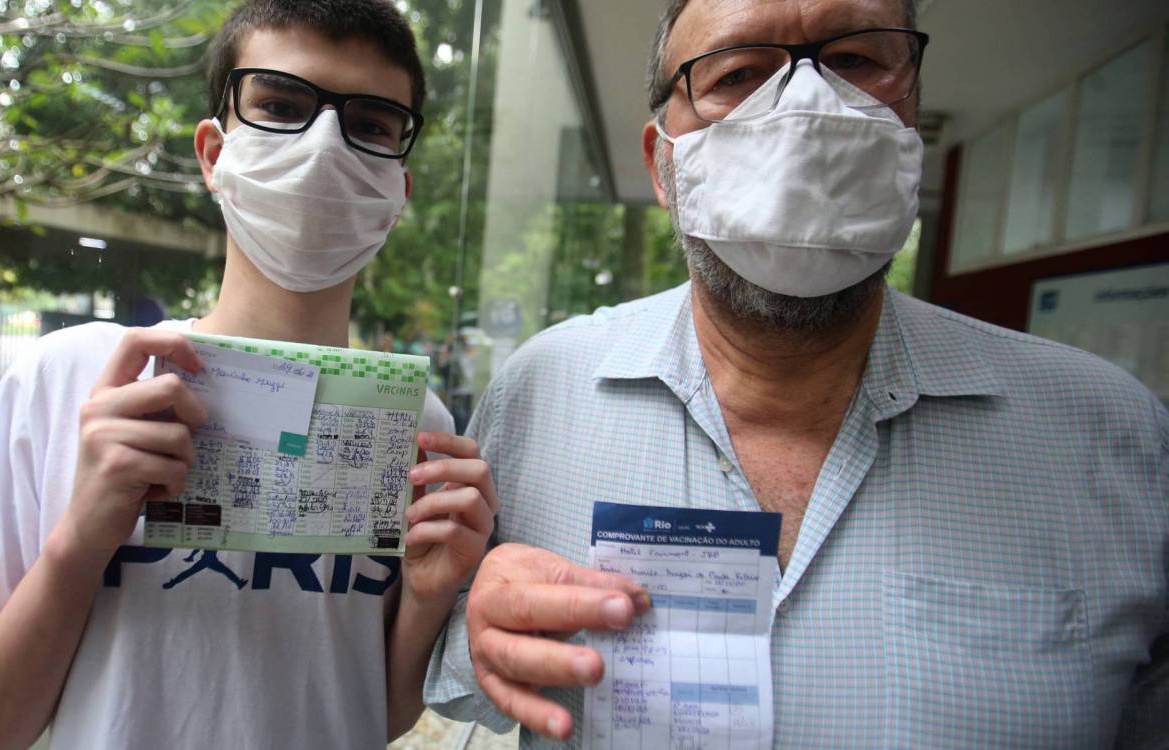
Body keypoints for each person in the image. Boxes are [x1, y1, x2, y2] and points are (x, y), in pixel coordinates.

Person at [423, 0, 1168, 747]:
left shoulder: (1116, 437)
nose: (806, 108)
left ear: (912, 117)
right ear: (661, 163)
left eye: (856, 61)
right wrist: (471, 623)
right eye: (739, 72)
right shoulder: (540, 391)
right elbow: (453, 657)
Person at [0, 2, 498, 748]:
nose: (323, 147)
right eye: (281, 106)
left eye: (371, 125)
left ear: (396, 194)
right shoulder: (72, 381)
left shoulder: (421, 429)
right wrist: (80, 542)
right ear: (214, 154)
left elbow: (365, 711)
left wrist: (426, 598)